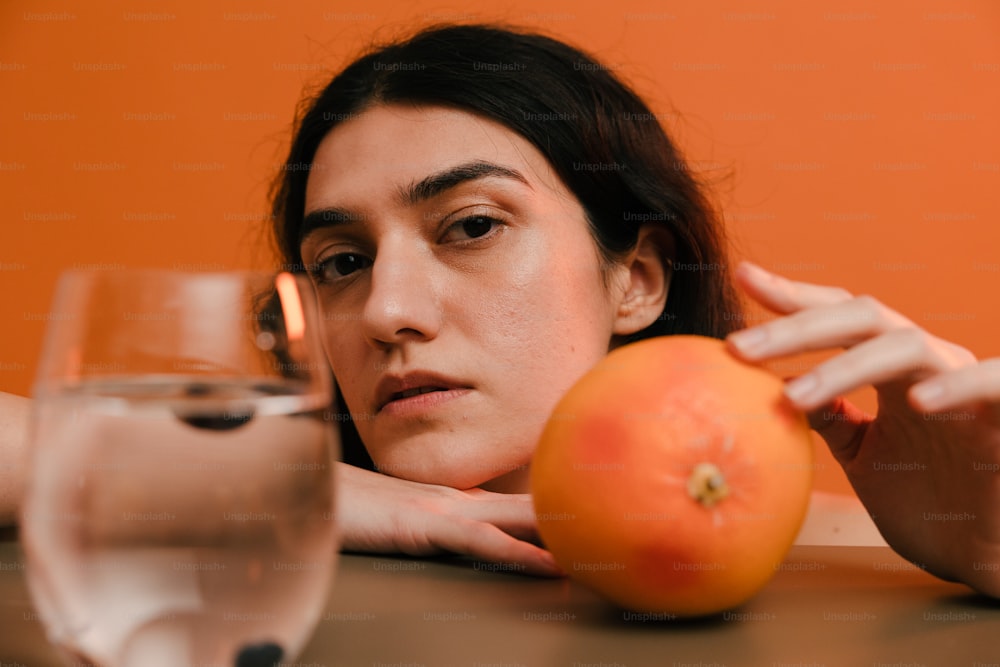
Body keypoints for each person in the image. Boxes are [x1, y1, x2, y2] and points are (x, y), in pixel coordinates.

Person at [4, 23, 1000, 596]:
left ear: (636, 279)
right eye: (341, 260)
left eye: (471, 225)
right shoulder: (237, 502)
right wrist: (275, 482)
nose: (385, 309)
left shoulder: (845, 552)